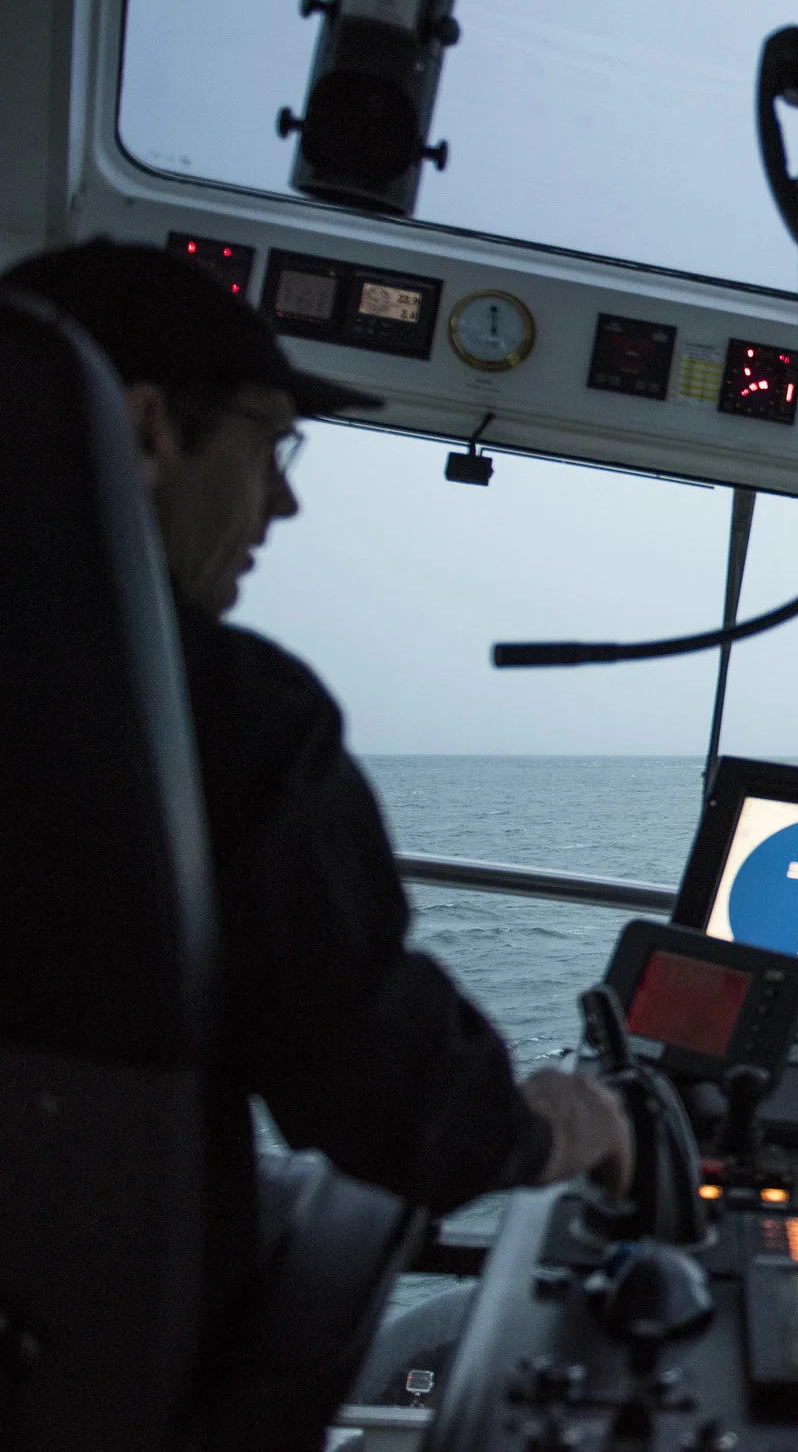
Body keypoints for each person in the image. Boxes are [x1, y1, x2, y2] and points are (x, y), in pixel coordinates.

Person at [2, 239, 633, 1218]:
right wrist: (557, 1122)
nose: (285, 501)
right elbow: (391, 1102)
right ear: (146, 431)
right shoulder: (222, 711)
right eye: (268, 442)